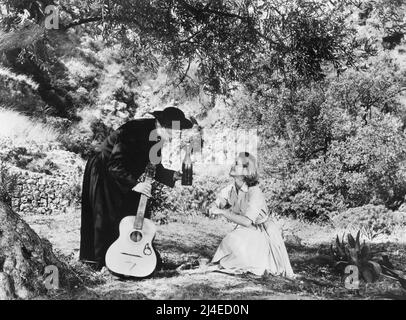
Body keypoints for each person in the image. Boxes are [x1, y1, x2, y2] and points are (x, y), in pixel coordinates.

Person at [79, 107, 194, 271]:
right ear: (164, 125)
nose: (175, 135)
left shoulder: (157, 137)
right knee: (105, 217)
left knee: (130, 214)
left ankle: (131, 257)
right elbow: (114, 164)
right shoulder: (135, 130)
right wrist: (135, 185)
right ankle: (100, 264)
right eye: (174, 130)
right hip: (103, 170)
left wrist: (173, 176)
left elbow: (154, 167)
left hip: (121, 174)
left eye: (178, 131)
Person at [209, 152, 295, 278]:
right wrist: (213, 207)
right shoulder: (232, 189)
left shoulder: (255, 192)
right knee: (230, 242)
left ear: (246, 171)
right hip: (248, 231)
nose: (232, 165)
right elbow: (220, 201)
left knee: (236, 244)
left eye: (236, 164)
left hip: (263, 232)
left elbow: (247, 221)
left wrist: (222, 212)